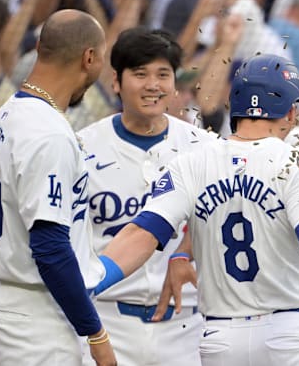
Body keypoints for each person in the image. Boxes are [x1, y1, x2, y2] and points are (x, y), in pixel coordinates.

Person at [94, 54, 299, 365]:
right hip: (291, 333)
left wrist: (93, 279)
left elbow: (142, 233)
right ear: (289, 112)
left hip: (222, 338)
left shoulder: (191, 162)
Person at [0, 9, 116, 366]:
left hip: (11, 299)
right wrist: (95, 334)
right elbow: (50, 248)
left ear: (40, 47)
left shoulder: (9, 112)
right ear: (89, 58)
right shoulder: (47, 132)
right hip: (35, 313)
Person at [78, 27, 216, 365]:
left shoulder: (206, 148)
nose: (153, 85)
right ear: (116, 81)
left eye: (163, 75)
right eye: (140, 74)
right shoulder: (81, 147)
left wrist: (184, 253)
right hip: (106, 320)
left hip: (186, 324)